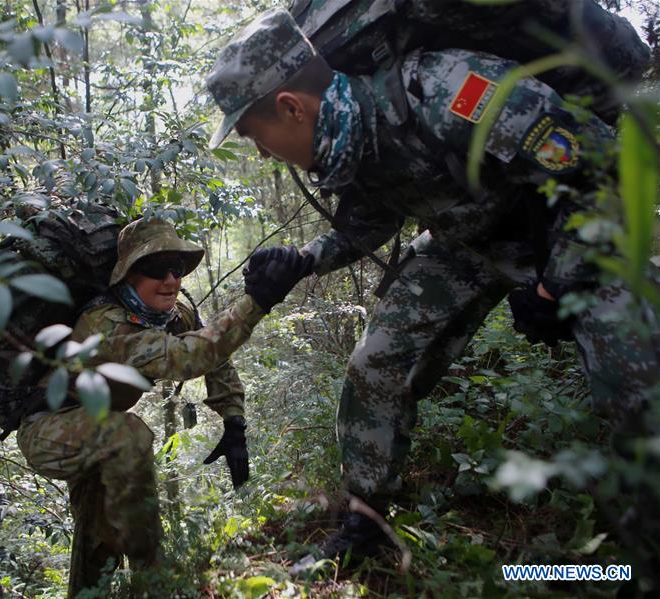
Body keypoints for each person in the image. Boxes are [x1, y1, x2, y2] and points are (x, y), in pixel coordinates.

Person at [206, 9, 660, 566]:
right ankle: (366, 523)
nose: (260, 152)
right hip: (466, 245)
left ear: (291, 108)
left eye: (255, 134)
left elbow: (600, 170)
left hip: (565, 236)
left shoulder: (449, 89)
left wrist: (555, 285)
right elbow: (370, 220)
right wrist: (301, 260)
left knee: (637, 375)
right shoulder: (351, 138)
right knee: (375, 365)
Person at [15, 217, 309, 596]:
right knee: (130, 432)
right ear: (127, 276)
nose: (171, 280)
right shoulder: (104, 324)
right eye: (155, 269)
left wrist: (233, 419)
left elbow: (212, 351)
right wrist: (257, 302)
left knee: (97, 534)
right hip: (49, 431)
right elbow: (189, 356)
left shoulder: (172, 313)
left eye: (178, 268)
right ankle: (154, 582)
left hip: (97, 432)